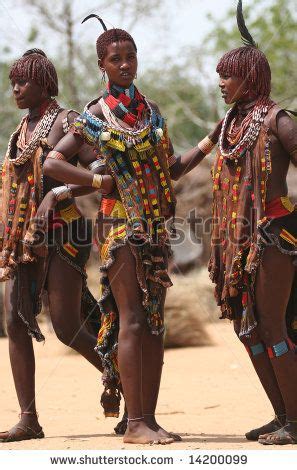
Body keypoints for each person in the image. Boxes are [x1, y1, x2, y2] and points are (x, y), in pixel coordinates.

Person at [42, 15, 222, 444]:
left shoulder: (151, 112)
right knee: (133, 321)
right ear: (102, 65)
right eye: (115, 59)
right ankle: (136, 421)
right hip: (120, 227)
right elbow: (51, 161)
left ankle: (147, 420)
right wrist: (95, 180)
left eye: (130, 57)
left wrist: (210, 139)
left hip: (157, 228)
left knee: (155, 324)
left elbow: (172, 168)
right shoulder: (95, 114)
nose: (125, 64)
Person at [0, 49, 115, 442]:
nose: (15, 88)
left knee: (67, 327)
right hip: (24, 237)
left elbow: (101, 173)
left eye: (23, 82)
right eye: (13, 81)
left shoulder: (68, 121)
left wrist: (60, 190)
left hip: (64, 232)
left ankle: (121, 377)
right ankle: (29, 418)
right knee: (15, 322)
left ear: (44, 84)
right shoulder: (22, 129)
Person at [208, 1, 297, 445]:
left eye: (227, 74)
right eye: (220, 74)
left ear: (250, 77)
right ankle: (282, 412)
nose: (220, 82)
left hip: (275, 236)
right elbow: (186, 163)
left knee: (273, 325)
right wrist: (143, 161)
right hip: (238, 243)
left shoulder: (278, 119)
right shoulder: (228, 124)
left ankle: (295, 422)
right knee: (249, 329)